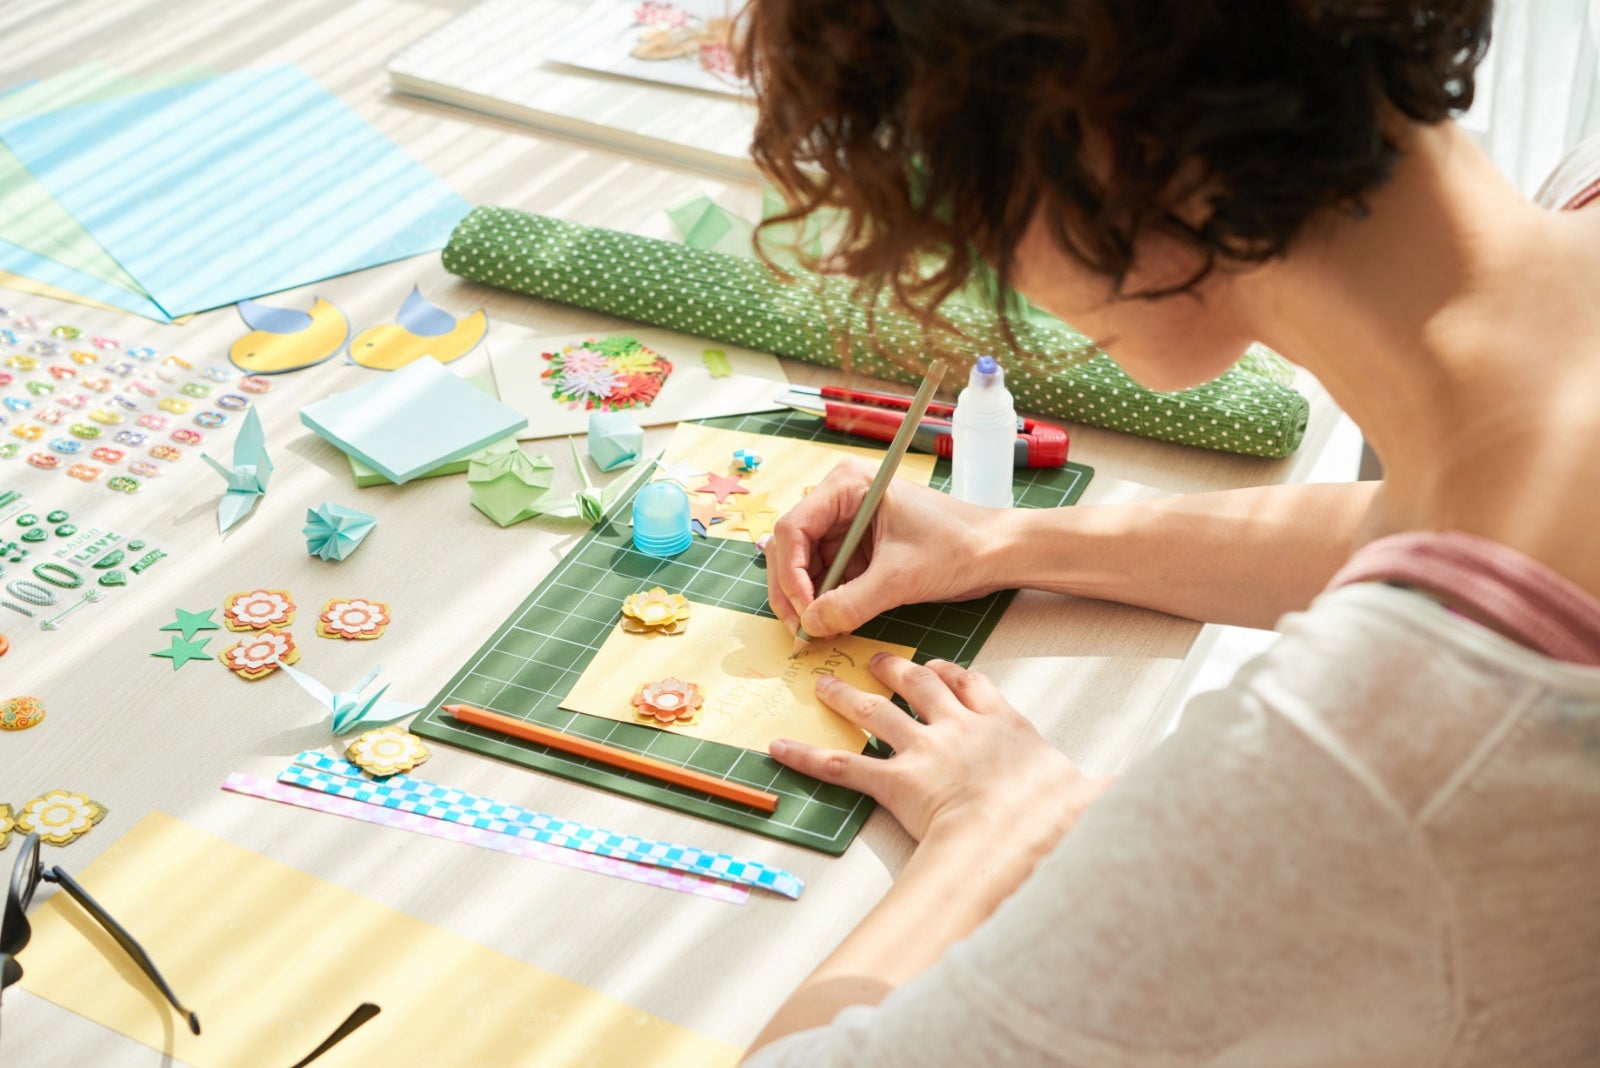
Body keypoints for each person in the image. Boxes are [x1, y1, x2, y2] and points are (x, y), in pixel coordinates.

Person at [735, 1, 1600, 1064]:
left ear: (1083, 150)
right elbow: (1476, 552)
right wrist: (1007, 542)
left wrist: (998, 833)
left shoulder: (1369, 766)